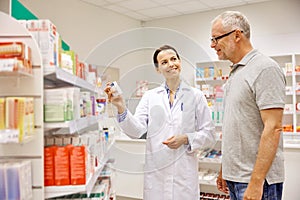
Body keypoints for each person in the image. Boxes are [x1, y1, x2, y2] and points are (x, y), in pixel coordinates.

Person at [105, 44, 216, 200]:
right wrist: (121, 107)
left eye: (173, 59)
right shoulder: (150, 97)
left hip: (184, 177)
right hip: (157, 177)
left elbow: (209, 134)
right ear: (158, 69)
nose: (170, 64)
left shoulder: (196, 96)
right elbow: (136, 130)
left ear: (180, 62)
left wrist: (186, 138)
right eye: (164, 62)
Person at [211, 11, 286, 200]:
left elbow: (273, 128)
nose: (213, 45)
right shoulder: (236, 73)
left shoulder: (264, 68)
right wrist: (224, 169)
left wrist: (256, 182)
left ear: (237, 35)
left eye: (216, 39)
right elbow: (236, 126)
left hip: (257, 182)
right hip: (236, 178)